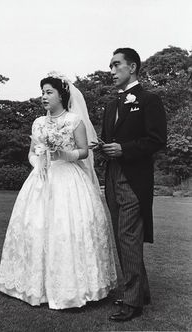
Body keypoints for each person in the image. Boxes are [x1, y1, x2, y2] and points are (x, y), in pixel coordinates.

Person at [0, 72, 117, 310]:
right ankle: (34, 285)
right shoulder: (38, 123)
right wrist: (37, 163)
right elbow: (32, 152)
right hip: (41, 179)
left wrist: (65, 154)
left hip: (68, 177)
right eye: (42, 92)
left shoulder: (74, 121)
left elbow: (84, 151)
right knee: (35, 226)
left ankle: (75, 288)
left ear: (61, 95)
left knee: (68, 227)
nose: (44, 96)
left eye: (49, 92)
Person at [100, 48, 167, 321]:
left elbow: (157, 139)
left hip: (134, 180)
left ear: (133, 67)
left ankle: (132, 302)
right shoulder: (110, 104)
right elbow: (110, 140)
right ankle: (141, 292)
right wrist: (103, 147)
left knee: (128, 237)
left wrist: (124, 149)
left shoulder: (149, 100)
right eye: (110, 66)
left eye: (116, 65)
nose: (112, 70)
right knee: (122, 237)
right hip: (112, 179)